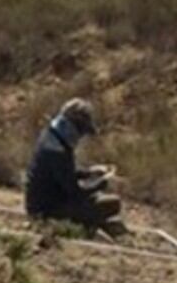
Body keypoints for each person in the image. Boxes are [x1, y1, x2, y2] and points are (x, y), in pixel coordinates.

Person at [24, 98, 126, 235]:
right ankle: (85, 228)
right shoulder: (56, 150)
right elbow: (75, 192)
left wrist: (90, 172)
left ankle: (93, 226)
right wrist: (104, 183)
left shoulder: (52, 138)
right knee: (112, 203)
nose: (82, 136)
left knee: (101, 202)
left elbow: (64, 175)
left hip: (43, 205)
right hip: (47, 211)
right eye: (82, 130)